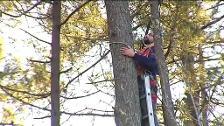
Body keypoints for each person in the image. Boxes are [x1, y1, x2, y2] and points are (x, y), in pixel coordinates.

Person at [120, 33, 159, 126]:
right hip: (139, 83)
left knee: (149, 115)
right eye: (146, 34)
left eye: (150, 35)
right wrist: (134, 55)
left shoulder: (155, 50)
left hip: (148, 83)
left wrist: (134, 55)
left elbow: (152, 64)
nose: (146, 35)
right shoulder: (143, 51)